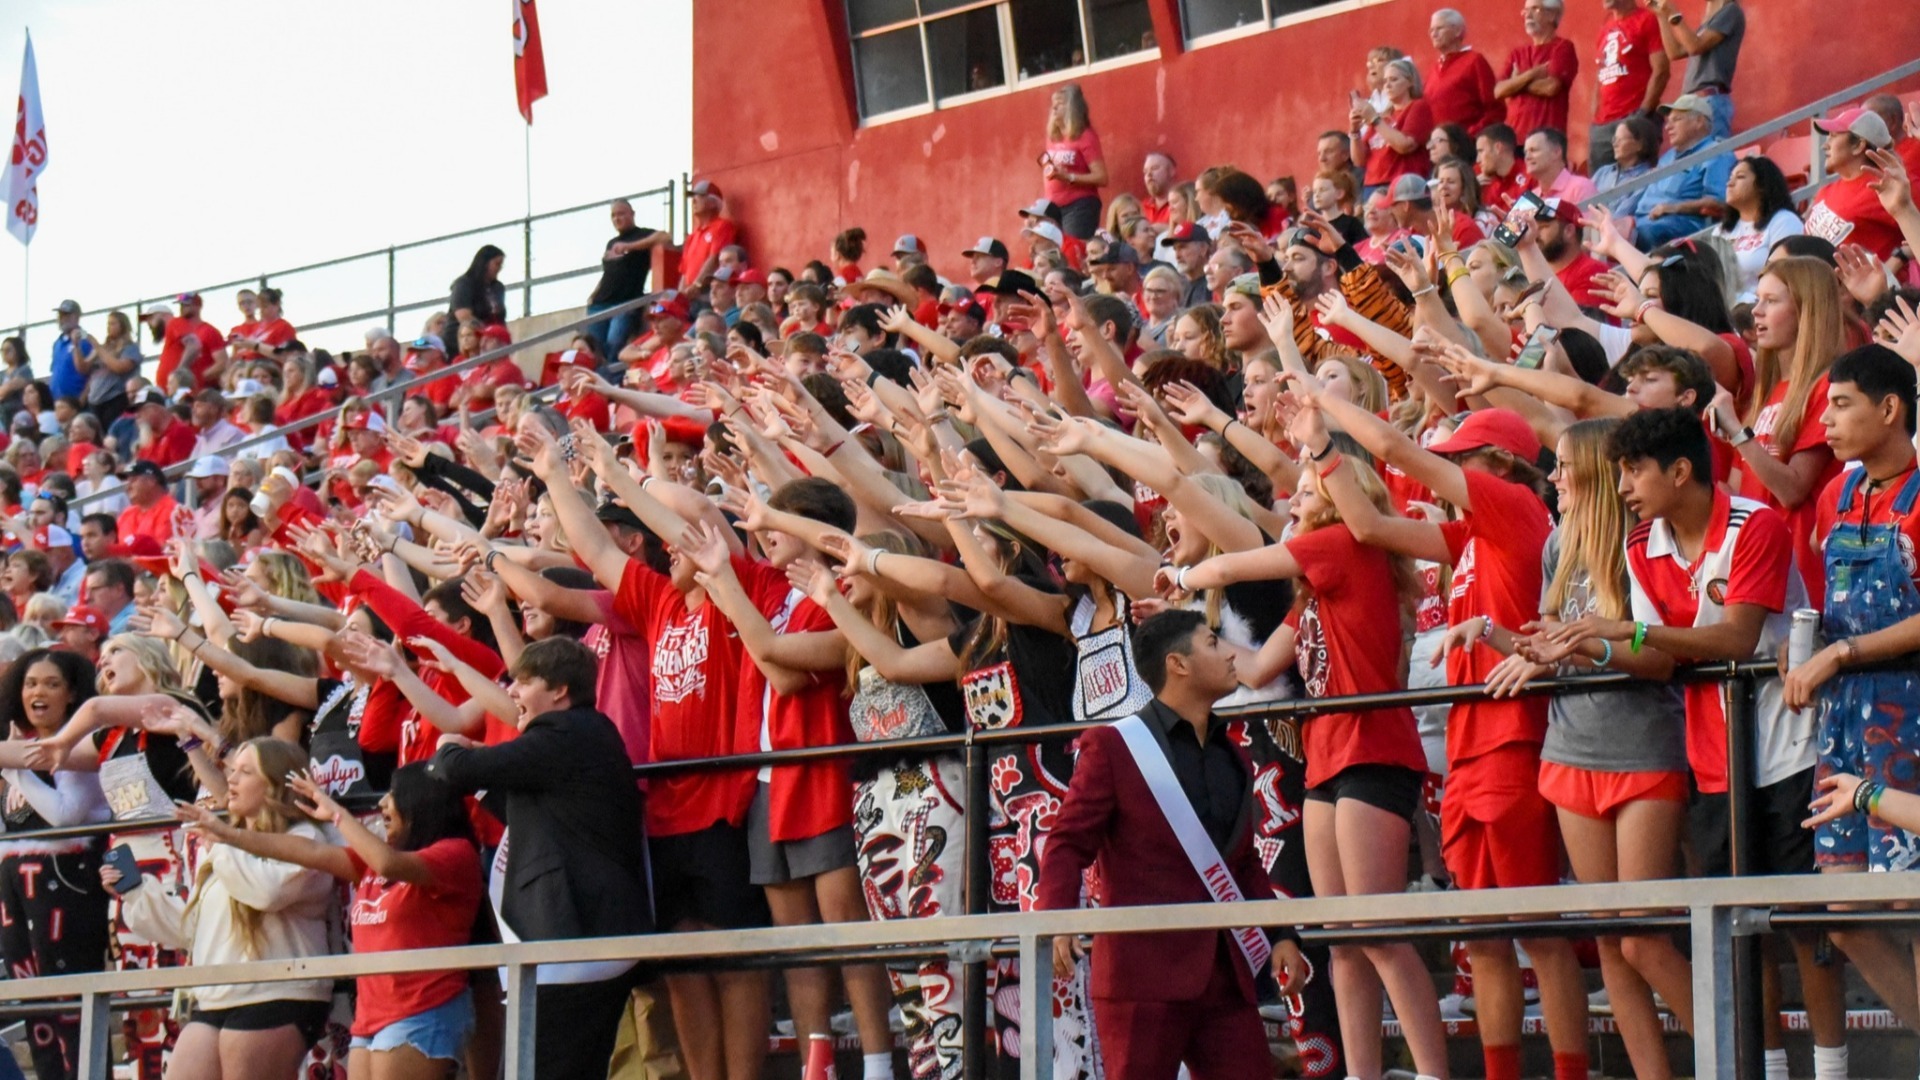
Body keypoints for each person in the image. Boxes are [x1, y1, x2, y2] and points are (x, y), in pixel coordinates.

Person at [1542, 408, 1845, 1080]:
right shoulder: (1641, 546)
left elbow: (1734, 640)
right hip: (1712, 759)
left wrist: (1626, 632)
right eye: (1617, 471)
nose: (1621, 486)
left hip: (1792, 746)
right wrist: (1583, 643)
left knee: (1808, 928)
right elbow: (1656, 659)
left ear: (1681, 471)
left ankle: (1833, 1069)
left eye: (1633, 471)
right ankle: (1761, 1068)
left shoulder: (1754, 526)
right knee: (1743, 932)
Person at [1300, 396, 1590, 1080]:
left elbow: (1400, 457)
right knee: (1483, 937)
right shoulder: (1472, 539)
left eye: (1462, 459)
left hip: (1514, 738)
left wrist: (1323, 405)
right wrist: (1318, 454)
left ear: (1501, 467)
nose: (1449, 469)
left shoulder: (1519, 512)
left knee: (1536, 932)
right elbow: (1368, 524)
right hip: (1466, 747)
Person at [1483, 419, 1698, 1079]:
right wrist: (1502, 642)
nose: (1552, 476)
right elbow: (1561, 650)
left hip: (1642, 751)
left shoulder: (1646, 547)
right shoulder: (1558, 546)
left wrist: (1588, 645)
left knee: (1643, 938)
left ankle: (1741, 1057)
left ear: (1599, 473)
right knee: (1610, 940)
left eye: (1564, 465)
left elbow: (1658, 658)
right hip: (1569, 752)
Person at [1037, 609, 1307, 1080]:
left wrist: (1281, 935)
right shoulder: (1114, 745)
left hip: (1225, 976)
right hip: (1141, 974)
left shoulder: (1233, 753)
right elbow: (1066, 842)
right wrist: (1056, 918)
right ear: (1177, 664)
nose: (1229, 654)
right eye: (1212, 643)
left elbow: (1242, 865)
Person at [1777, 345, 1920, 1055]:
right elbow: (1818, 597)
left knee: (1914, 905)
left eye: (1841, 404)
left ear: (1889, 409)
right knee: (1842, 912)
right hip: (1842, 721)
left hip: (1909, 714)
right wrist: (1804, 646)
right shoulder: (1837, 491)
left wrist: (1844, 651)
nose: (1825, 421)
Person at [427, 636, 651, 1080]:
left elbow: (456, 771)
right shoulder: (579, 738)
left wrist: (447, 749)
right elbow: (521, 809)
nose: (510, 692)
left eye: (523, 682)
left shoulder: (566, 732)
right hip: (576, 942)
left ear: (560, 691)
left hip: (575, 941)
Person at [179, 764, 483, 1080]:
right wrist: (230, 835)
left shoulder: (454, 854)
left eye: (392, 795)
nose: (381, 805)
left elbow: (388, 864)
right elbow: (307, 851)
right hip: (371, 1020)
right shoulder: (372, 862)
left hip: (423, 1012)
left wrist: (336, 813)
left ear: (421, 799)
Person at [113, 737, 339, 1080]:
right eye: (232, 771)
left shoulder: (306, 838)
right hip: (218, 995)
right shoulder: (225, 846)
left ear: (278, 786)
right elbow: (193, 929)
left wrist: (223, 843)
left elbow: (266, 892)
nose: (230, 780)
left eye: (245, 772)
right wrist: (134, 892)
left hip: (276, 992)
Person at [0, 648, 112, 1080]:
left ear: (71, 695)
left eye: (50, 684)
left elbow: (66, 814)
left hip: (66, 882)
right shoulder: (19, 746)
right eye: (30, 684)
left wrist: (17, 772)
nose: (38, 693)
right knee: (37, 1007)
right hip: (16, 887)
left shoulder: (78, 744)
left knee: (71, 1006)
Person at [1713, 257, 1846, 601]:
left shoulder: (1827, 386)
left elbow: (1793, 489)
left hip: (1801, 575)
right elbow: (1740, 493)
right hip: (1758, 569)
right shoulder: (1769, 391)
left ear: (1807, 310)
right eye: (1757, 300)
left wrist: (1738, 433)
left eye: (1771, 301)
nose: (1756, 311)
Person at [1616, 95, 1733, 250]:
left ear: (1698, 121)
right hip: (1642, 222)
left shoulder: (1716, 153)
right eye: (1667, 121)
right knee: (1604, 234)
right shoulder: (1667, 157)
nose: (1668, 127)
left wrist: (1672, 207)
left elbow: (1719, 203)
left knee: (1634, 237)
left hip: (1682, 225)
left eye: (1677, 120)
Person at [1804, 108, 1904, 260]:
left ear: (1858, 145)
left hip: (1878, 282)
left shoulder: (1889, 187)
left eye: (1833, 136)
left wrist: (1898, 260)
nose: (1825, 145)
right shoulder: (1825, 191)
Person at [1592, 0, 1670, 170]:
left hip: (1635, 117)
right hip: (1602, 125)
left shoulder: (1647, 19)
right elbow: (1600, 76)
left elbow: (1661, 70)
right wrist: (1595, 119)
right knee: (1598, 188)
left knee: (1637, 182)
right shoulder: (1606, 27)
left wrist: (1642, 114)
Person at [1714, 156, 1804, 303]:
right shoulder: (1721, 231)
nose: (1729, 183)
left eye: (1740, 177)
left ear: (1762, 186)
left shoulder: (1784, 221)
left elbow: (1787, 276)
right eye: (1729, 178)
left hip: (1765, 307)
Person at [1650, 0, 1744, 139]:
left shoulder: (1731, 11)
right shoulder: (1712, 19)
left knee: (1711, 156)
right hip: (1694, 102)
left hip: (1710, 100)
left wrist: (1674, 13)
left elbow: (1695, 47)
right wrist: (1662, 15)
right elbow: (1674, 52)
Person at [1351, 58, 1435, 199]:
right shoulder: (1383, 117)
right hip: (1372, 184)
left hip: (1403, 180)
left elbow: (1405, 145)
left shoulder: (1417, 107)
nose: (1387, 86)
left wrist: (1374, 120)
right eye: (1385, 81)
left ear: (1410, 82)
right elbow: (1359, 160)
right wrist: (1354, 131)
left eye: (1394, 80)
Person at [1497, 0, 1577, 142]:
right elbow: (1498, 90)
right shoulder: (1517, 53)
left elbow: (1550, 88)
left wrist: (1516, 82)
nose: (1528, 15)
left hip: (1547, 139)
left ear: (1552, 15)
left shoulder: (1562, 48)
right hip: (1515, 139)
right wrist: (1531, 74)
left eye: (1535, 9)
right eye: (1525, 11)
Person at [1423, 9, 1502, 134]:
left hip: (1467, 144)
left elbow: (1494, 108)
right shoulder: (1433, 69)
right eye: (1431, 30)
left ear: (1457, 31)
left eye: (1439, 28)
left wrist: (1471, 134)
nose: (1434, 34)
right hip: (1438, 146)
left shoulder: (1474, 61)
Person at [154, 293, 229, 393]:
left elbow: (222, 363)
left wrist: (194, 378)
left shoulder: (209, 331)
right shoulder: (177, 327)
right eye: (181, 305)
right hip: (169, 389)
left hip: (196, 391)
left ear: (198, 306)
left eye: (186, 305)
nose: (182, 308)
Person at [1590, 114, 1662, 215]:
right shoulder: (1603, 172)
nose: (1615, 144)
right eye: (1614, 139)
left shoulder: (1646, 178)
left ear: (1640, 145)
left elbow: (1621, 215)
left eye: (1620, 140)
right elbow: (1585, 201)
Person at [679, 179, 739, 291]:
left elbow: (715, 258)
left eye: (699, 197)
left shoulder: (722, 226)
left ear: (712, 203)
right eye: (693, 197)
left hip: (708, 292)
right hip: (691, 295)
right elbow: (684, 272)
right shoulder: (692, 236)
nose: (693, 201)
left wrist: (697, 285)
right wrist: (681, 296)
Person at [116, 462, 181, 551]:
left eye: (133, 480)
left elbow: (160, 552)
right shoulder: (126, 514)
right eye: (127, 482)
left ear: (151, 481)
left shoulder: (172, 511)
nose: (128, 487)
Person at [1523, 127, 1597, 204]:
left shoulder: (1581, 187)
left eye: (1533, 150)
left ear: (1556, 152)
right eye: (1525, 153)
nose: (1527, 157)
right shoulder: (1532, 197)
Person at [449, 245, 508, 330]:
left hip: (492, 339)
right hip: (461, 338)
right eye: (497, 264)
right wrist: (487, 333)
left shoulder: (498, 287)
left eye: (501, 265)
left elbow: (500, 317)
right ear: (485, 263)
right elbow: (464, 316)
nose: (499, 268)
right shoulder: (464, 284)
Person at [1474, 123, 1531, 212]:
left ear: (1498, 148)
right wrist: (1473, 191)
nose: (1478, 160)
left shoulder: (1531, 176)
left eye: (1481, 151)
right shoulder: (1485, 186)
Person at [48, 298, 95, 405]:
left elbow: (93, 373)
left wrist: (81, 400)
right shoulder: (57, 343)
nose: (61, 319)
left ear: (76, 317)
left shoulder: (86, 341)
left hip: (75, 403)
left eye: (66, 315)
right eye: (60, 315)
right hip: (57, 404)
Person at [1141, 151, 1177, 228]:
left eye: (1155, 168)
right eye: (1145, 171)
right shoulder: (1141, 208)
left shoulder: (1184, 204)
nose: (1149, 174)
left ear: (1171, 171)